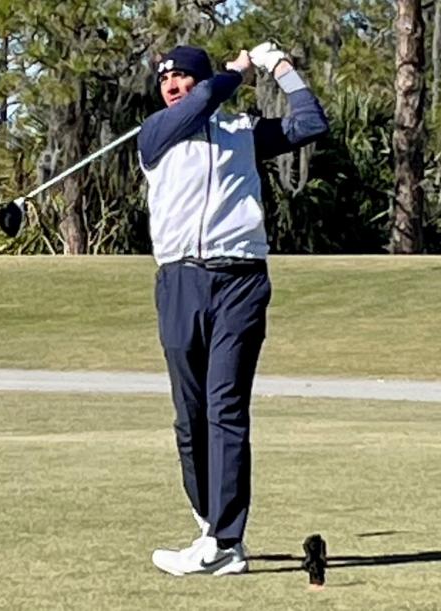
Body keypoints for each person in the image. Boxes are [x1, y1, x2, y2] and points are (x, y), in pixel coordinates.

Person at [136, 43, 329, 576]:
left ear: (199, 80)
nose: (172, 85)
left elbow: (312, 123)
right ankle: (209, 521)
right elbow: (202, 104)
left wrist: (280, 68)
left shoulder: (242, 133)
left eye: (182, 77)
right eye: (165, 79)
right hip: (178, 280)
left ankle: (226, 541)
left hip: (241, 280)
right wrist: (234, 72)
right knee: (189, 417)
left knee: (226, 407)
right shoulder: (156, 134)